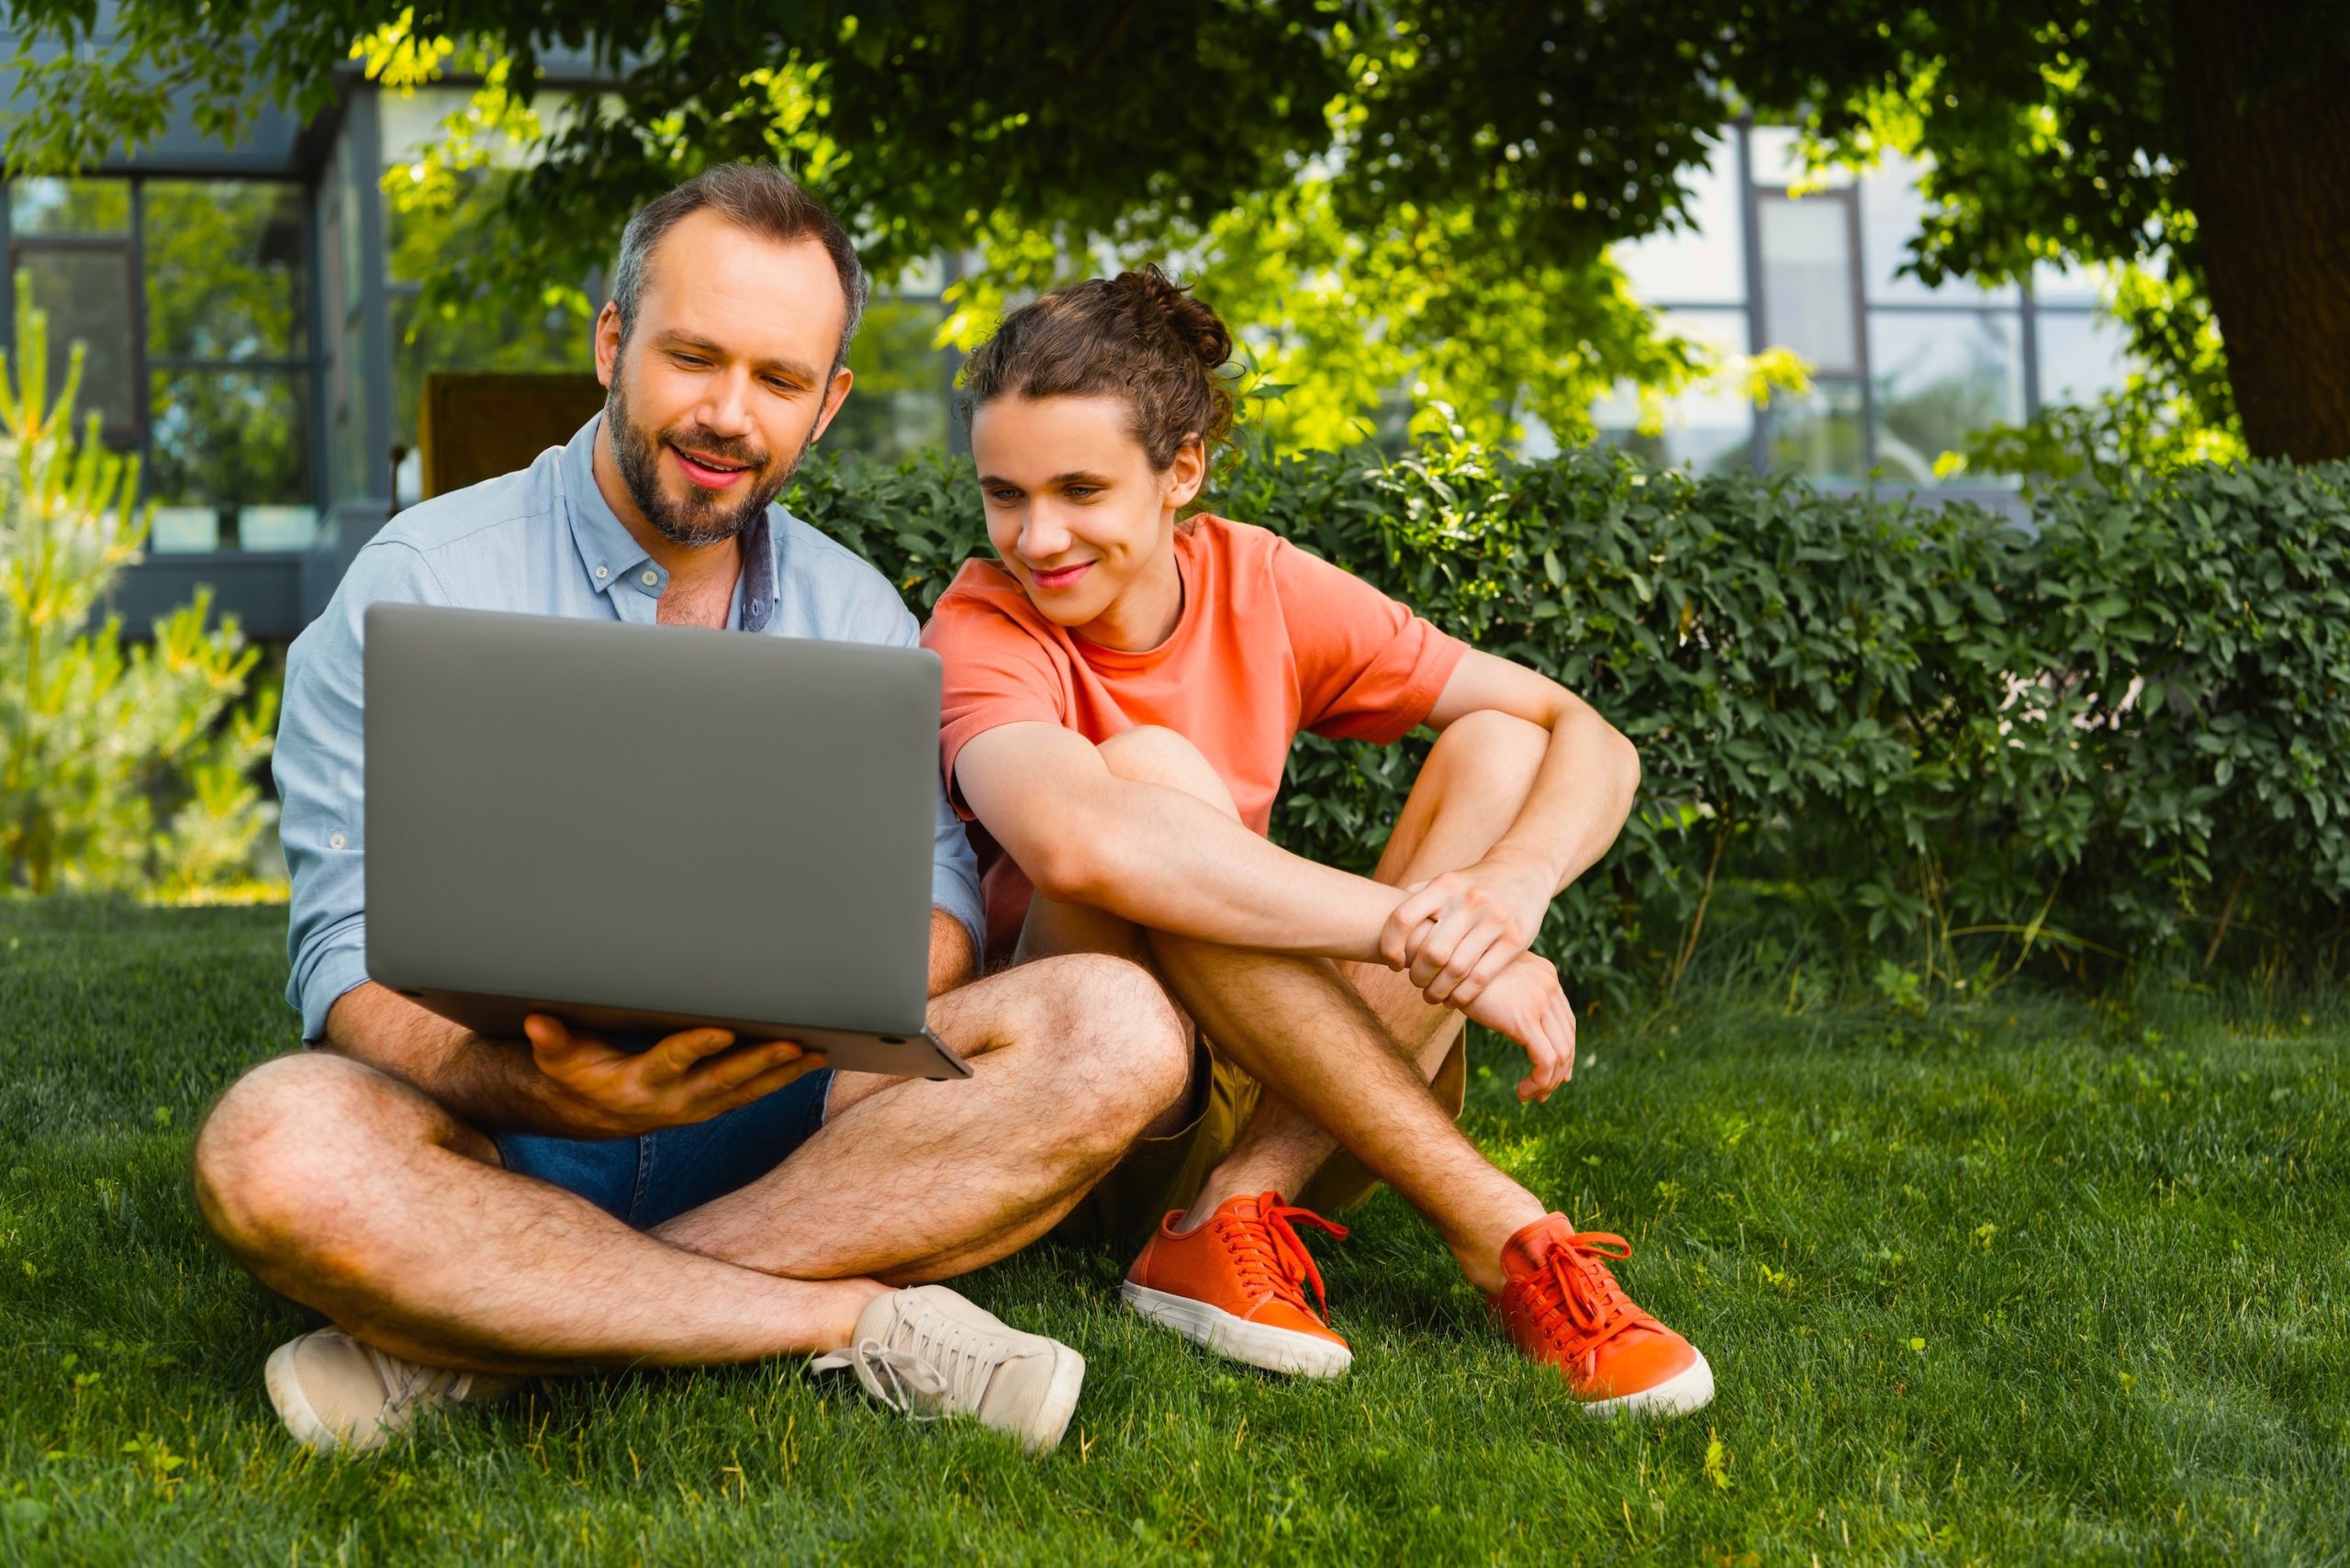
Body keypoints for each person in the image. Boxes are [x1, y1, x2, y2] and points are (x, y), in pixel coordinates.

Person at [190, 165, 1192, 1458]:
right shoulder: (418, 584)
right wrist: (548, 1089)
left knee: (1117, 1029)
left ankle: (483, 1327)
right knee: (271, 1143)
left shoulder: (854, 611)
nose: (728, 414)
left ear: (828, 404)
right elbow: (342, 955)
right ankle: (846, 1320)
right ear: (613, 343)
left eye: (778, 379)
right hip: (505, 1126)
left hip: (787, 1122)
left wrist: (791, 1022)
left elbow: (940, 908)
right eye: (693, 358)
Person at [921, 267, 1713, 1417]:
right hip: (1093, 1096)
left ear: (1181, 470)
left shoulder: (1258, 581)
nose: (1037, 537)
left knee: (1498, 743)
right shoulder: (981, 624)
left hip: (1275, 1074)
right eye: (1005, 494)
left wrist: (1505, 895)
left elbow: (1584, 735)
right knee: (1148, 776)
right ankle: (1501, 1229)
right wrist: (1420, 933)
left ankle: (1235, 1208)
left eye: (1080, 489)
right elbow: (1081, 846)